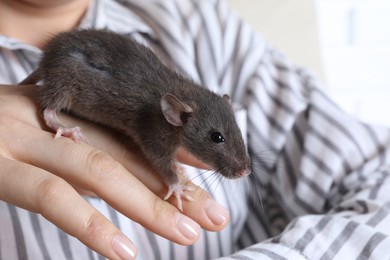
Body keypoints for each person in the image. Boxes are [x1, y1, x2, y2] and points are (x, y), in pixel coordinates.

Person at [1, 0, 390, 259]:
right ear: (176, 115)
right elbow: (155, 148)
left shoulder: (196, 21)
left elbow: (378, 175)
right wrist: (172, 178)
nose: (241, 169)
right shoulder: (164, 119)